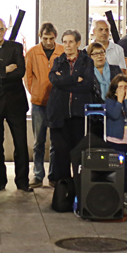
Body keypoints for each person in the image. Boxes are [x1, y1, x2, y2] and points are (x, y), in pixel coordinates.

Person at [0, 18, 30, 192]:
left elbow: (20, 71)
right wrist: (4, 70)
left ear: (6, 30)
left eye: (2, 29)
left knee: (21, 143)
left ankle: (23, 181)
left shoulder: (15, 47)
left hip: (15, 102)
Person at [47, 30, 99, 182]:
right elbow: (53, 80)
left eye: (71, 42)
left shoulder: (86, 61)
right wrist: (76, 79)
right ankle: (63, 185)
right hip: (59, 114)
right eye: (65, 42)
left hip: (78, 115)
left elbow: (87, 86)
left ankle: (79, 183)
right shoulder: (58, 61)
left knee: (78, 152)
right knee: (60, 152)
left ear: (78, 43)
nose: (67, 45)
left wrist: (64, 81)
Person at [24, 22, 63, 188]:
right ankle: (38, 174)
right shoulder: (33, 53)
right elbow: (28, 77)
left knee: (56, 140)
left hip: (57, 103)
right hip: (39, 103)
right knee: (38, 141)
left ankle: (53, 175)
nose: (48, 42)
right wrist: (35, 92)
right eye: (45, 38)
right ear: (40, 37)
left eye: (51, 38)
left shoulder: (61, 52)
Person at [105, 74, 127, 206]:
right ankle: (113, 192)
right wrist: (119, 101)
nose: (123, 90)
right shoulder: (109, 101)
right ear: (114, 89)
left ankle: (125, 192)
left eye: (126, 87)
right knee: (114, 168)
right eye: (120, 87)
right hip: (114, 141)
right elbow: (113, 115)